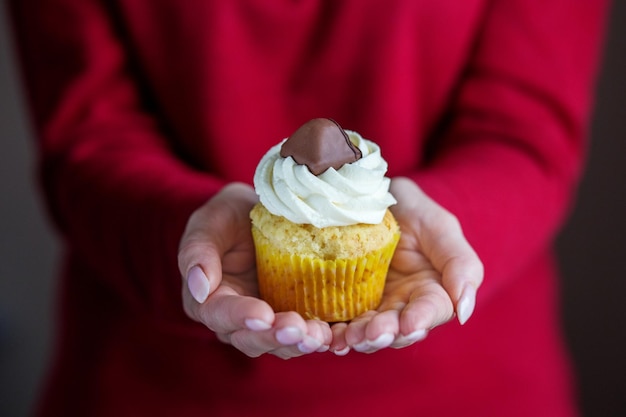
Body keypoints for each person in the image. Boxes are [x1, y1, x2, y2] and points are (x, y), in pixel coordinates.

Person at [9, 1, 608, 416]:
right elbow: (87, 134)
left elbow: (526, 128)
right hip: (153, 383)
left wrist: (447, 225)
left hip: (468, 387)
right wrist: (185, 229)